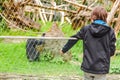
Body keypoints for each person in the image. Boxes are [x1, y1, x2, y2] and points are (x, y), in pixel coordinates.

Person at [60, 6, 116, 80]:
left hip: (88, 66)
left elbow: (74, 38)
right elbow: (112, 49)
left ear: (93, 17)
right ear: (105, 17)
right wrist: (107, 55)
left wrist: (64, 50)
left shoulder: (86, 29)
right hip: (101, 68)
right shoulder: (110, 31)